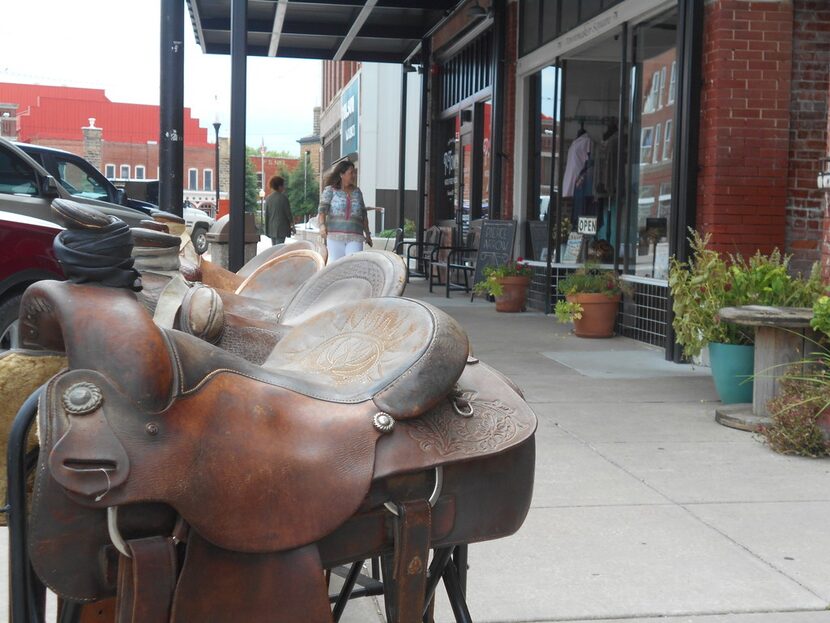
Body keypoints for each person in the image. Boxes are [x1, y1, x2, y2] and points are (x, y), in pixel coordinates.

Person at [317, 160, 372, 262]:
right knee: (335, 265)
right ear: (342, 174)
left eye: (354, 172)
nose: (354, 175)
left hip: (355, 236)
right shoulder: (330, 190)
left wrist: (368, 234)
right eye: (351, 173)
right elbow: (322, 210)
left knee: (353, 265)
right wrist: (322, 226)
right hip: (335, 236)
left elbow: (363, 214)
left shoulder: (357, 192)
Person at [264, 175, 295, 245]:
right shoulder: (284, 198)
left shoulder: (268, 198)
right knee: (279, 248)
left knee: (274, 248)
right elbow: (288, 214)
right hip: (282, 228)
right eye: (283, 185)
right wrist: (292, 226)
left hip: (271, 228)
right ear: (279, 186)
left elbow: (266, 215)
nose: (284, 187)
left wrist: (266, 229)